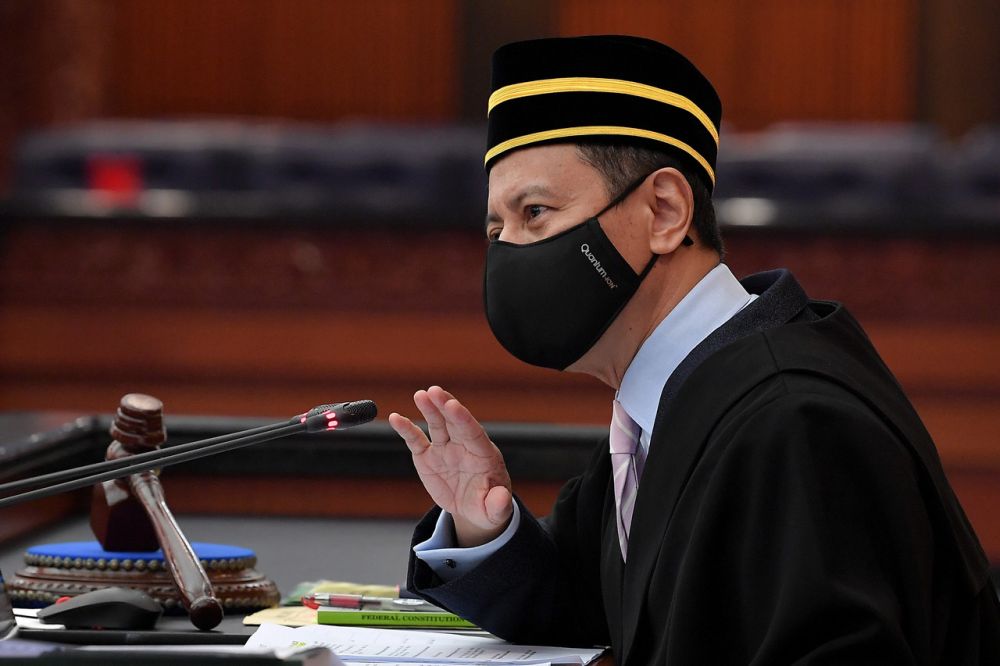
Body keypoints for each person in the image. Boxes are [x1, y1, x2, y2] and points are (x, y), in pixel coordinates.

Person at [388, 35, 1000, 664]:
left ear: (664, 211)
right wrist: (483, 525)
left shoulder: (792, 421)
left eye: (536, 213)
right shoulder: (670, 404)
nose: (510, 250)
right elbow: (598, 613)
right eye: (497, 229)